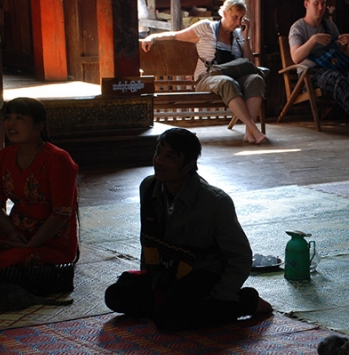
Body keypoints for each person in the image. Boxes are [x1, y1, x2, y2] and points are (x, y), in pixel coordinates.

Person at [104, 128, 272, 330]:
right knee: (115, 296)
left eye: (170, 157)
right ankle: (178, 307)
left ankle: (247, 302)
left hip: (201, 274)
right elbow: (147, 239)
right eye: (158, 152)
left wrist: (222, 295)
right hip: (167, 272)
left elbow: (240, 257)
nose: (159, 161)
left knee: (167, 319)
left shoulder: (215, 202)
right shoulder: (149, 187)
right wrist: (148, 279)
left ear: (189, 166)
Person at [0, 97, 79, 278]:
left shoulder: (58, 159)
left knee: (5, 262)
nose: (11, 124)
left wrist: (30, 244)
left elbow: (61, 213)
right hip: (15, 232)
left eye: (20, 118)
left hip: (50, 240)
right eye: (8, 117)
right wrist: (12, 233)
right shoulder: (5, 155)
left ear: (39, 125)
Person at [140, 0, 267, 144]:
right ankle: (254, 130)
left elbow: (248, 62)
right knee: (227, 82)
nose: (238, 22)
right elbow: (176, 35)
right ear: (224, 13)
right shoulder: (206, 28)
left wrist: (245, 37)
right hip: (207, 78)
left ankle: (249, 134)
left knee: (256, 79)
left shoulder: (238, 34)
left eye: (241, 18)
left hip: (234, 76)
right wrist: (153, 37)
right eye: (235, 17)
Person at [289, 0, 349, 136]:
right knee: (336, 79)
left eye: (323, 3)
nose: (320, 7)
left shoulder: (329, 25)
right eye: (316, 3)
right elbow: (295, 57)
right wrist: (313, 40)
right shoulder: (298, 28)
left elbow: (344, 55)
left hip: (334, 67)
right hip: (311, 73)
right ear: (306, 4)